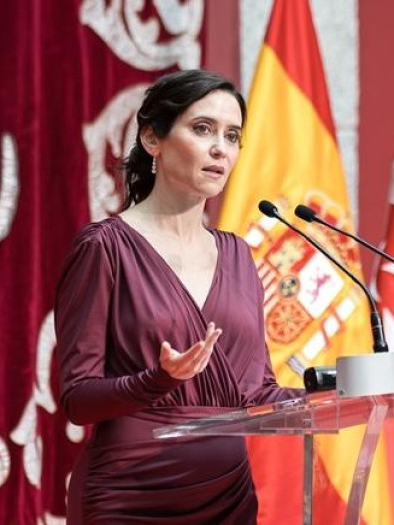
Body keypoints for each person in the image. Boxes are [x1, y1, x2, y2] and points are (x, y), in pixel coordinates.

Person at [54, 70, 305, 524]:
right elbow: (77, 399)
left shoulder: (239, 255)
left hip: (227, 499)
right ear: (153, 138)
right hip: (130, 499)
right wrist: (156, 380)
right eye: (203, 129)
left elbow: (256, 391)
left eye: (232, 136)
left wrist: (334, 393)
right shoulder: (104, 247)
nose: (220, 149)